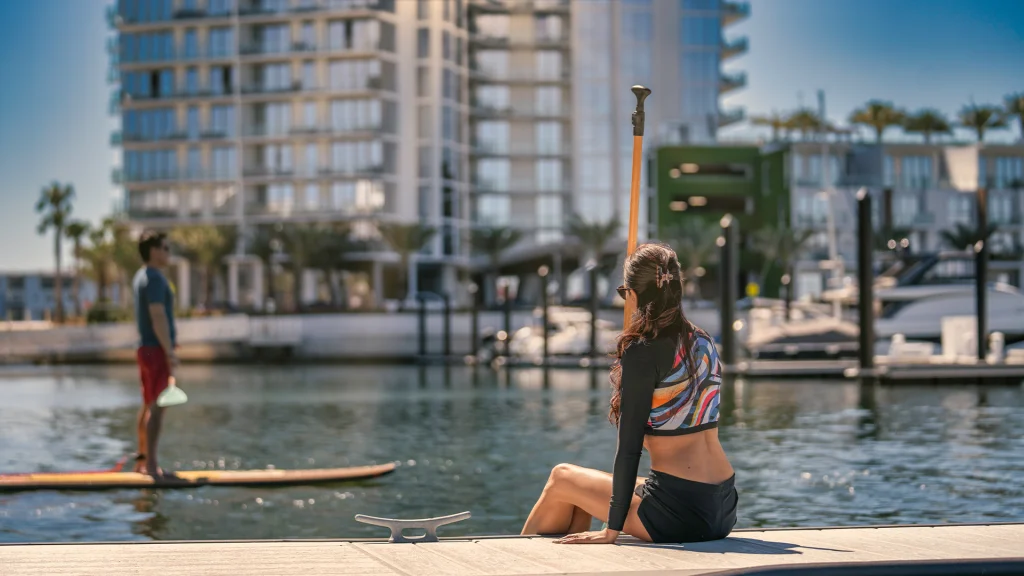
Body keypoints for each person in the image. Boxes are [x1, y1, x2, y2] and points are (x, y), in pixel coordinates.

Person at [521, 242, 736, 544]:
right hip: (723, 504)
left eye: (625, 293)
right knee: (579, 490)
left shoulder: (643, 351)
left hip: (680, 512)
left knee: (562, 477)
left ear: (634, 294)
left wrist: (612, 528)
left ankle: (517, 564)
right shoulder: (703, 342)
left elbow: (629, 449)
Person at [131, 231, 178, 478]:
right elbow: (158, 315)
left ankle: (141, 461)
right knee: (158, 408)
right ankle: (151, 466)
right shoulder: (155, 279)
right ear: (154, 250)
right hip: (157, 350)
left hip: (145, 349)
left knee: (148, 405)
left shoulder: (141, 277)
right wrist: (169, 352)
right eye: (165, 247)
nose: (168, 252)